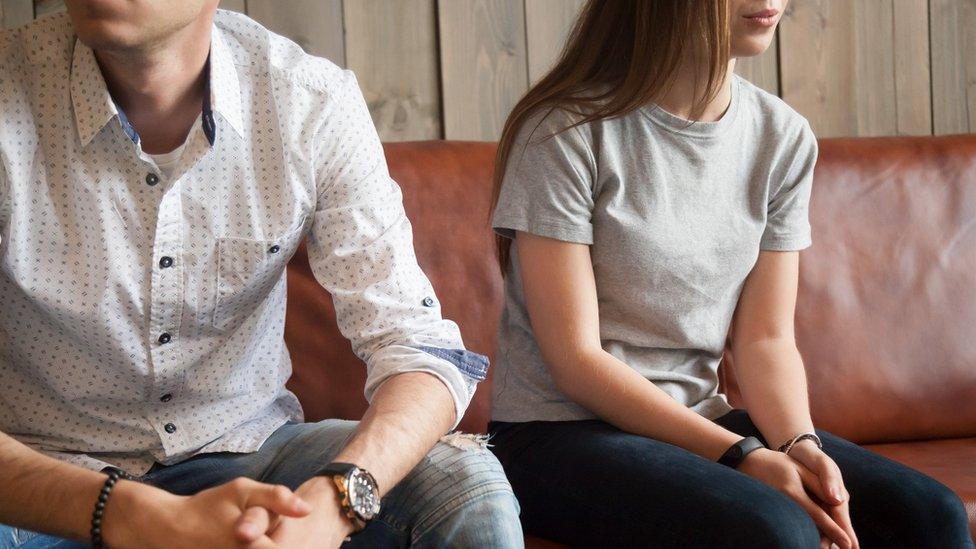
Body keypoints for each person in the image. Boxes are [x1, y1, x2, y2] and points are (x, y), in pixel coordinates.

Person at [0, 2, 521, 547]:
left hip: (248, 453)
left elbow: (419, 347)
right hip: (42, 478)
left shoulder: (307, 102)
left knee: (465, 487)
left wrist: (340, 498)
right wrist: (127, 512)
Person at [486, 1, 973, 548]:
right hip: (555, 435)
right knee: (777, 529)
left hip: (701, 419)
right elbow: (576, 361)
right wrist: (740, 454)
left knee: (929, 514)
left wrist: (796, 444)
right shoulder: (564, 130)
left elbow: (765, 340)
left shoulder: (781, 136)